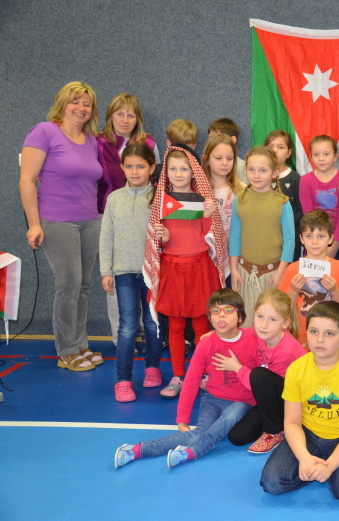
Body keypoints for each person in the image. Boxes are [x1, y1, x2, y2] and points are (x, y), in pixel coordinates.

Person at [113, 289, 259, 468]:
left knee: (234, 412)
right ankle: (137, 450)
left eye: (228, 310)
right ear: (209, 317)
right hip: (213, 400)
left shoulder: (254, 338)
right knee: (197, 433)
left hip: (243, 402)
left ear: (241, 317)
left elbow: (262, 375)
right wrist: (182, 420)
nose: (221, 315)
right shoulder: (206, 344)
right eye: (215, 311)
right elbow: (191, 382)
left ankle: (191, 452)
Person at [260, 301, 339, 504]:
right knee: (271, 483)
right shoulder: (296, 369)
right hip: (307, 435)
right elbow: (292, 423)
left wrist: (331, 466)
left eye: (330, 334)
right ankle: (316, 468)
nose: (320, 339)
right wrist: (304, 457)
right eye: (314, 331)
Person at [20, 81, 104, 371]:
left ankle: (80, 344)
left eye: (87, 104)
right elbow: (27, 180)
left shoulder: (90, 140)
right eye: (75, 102)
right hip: (57, 221)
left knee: (83, 286)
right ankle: (67, 351)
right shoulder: (44, 131)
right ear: (62, 104)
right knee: (68, 284)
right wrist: (34, 224)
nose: (81, 108)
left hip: (89, 220)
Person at [143, 144, 228, 398]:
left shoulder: (204, 201)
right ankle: (178, 376)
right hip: (172, 268)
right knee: (176, 328)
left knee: (202, 327)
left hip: (199, 267)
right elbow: (157, 243)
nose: (178, 174)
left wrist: (210, 216)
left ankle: (203, 374)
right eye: (173, 169)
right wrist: (164, 237)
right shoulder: (161, 203)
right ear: (166, 172)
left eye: (184, 169)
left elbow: (209, 238)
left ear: (193, 173)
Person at [100, 143, 163, 401]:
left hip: (152, 273)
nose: (135, 172)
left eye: (140, 166)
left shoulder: (160, 198)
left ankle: (152, 368)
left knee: (152, 323)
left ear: (151, 168)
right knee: (127, 327)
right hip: (123, 273)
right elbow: (106, 237)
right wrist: (106, 270)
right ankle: (123, 379)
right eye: (129, 166)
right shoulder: (114, 199)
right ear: (122, 168)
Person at [226, 289, 306, 454]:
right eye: (260, 316)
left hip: (295, 403)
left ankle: (273, 432)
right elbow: (238, 334)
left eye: (272, 319)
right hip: (274, 400)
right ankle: (281, 426)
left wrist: (237, 368)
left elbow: (258, 383)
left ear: (285, 323)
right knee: (237, 437)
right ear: (254, 314)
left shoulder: (286, 351)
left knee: (258, 374)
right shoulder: (257, 333)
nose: (263, 325)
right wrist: (215, 336)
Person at [229, 146, 294, 315]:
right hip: (244, 274)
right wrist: (234, 269)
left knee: (270, 320)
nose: (256, 175)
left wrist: (280, 273)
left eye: (263, 170)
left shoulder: (282, 202)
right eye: (251, 169)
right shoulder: (240, 199)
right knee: (247, 321)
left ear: (274, 173)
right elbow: (235, 236)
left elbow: (289, 240)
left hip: (272, 274)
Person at [278, 210, 339, 341]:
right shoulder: (292, 269)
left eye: (321, 236)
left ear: (331, 239)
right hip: (299, 337)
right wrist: (294, 290)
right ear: (301, 239)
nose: (315, 242)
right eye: (309, 236)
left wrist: (334, 290)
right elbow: (282, 309)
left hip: (330, 336)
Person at [96, 93, 160, 212]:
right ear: (110, 116)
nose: (125, 120)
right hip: (105, 210)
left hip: (143, 210)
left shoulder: (149, 142)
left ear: (137, 119)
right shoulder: (97, 142)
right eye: (120, 114)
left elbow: (157, 177)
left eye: (130, 116)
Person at [299, 135, 339, 259]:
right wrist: (316, 241)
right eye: (316, 155)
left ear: (335, 157)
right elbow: (309, 217)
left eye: (326, 154)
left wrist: (335, 245)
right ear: (311, 157)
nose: (321, 158)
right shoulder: (305, 180)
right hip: (315, 240)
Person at [265, 130, 303, 261]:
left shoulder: (295, 178)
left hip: (289, 239)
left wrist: (285, 225)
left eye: (280, 147)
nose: (275, 150)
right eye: (270, 147)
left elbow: (300, 211)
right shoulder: (260, 177)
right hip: (265, 239)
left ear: (289, 153)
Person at [202, 133, 244, 244]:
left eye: (229, 158)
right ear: (206, 159)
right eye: (218, 158)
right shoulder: (199, 191)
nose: (225, 163)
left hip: (235, 250)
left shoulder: (242, 190)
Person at [208, 117, 246, 183]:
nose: (213, 142)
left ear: (232, 140)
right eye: (211, 138)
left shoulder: (242, 167)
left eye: (219, 138)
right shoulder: (208, 165)